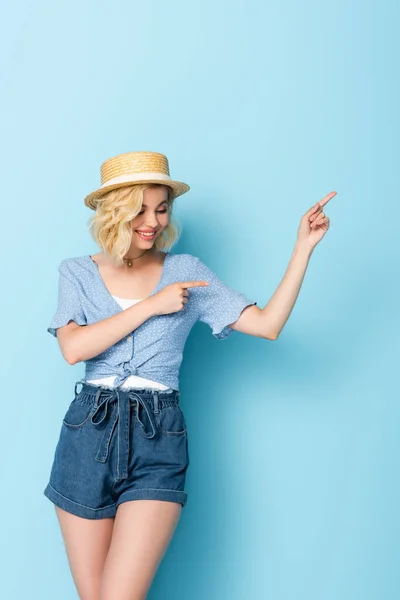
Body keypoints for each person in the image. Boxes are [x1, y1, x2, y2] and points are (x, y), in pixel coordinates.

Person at [44, 150, 336, 599]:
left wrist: (303, 248)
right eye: (140, 209)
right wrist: (152, 306)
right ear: (114, 212)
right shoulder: (77, 272)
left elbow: (268, 325)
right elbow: (73, 348)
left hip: (157, 434)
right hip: (88, 432)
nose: (153, 221)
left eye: (161, 208)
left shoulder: (185, 272)